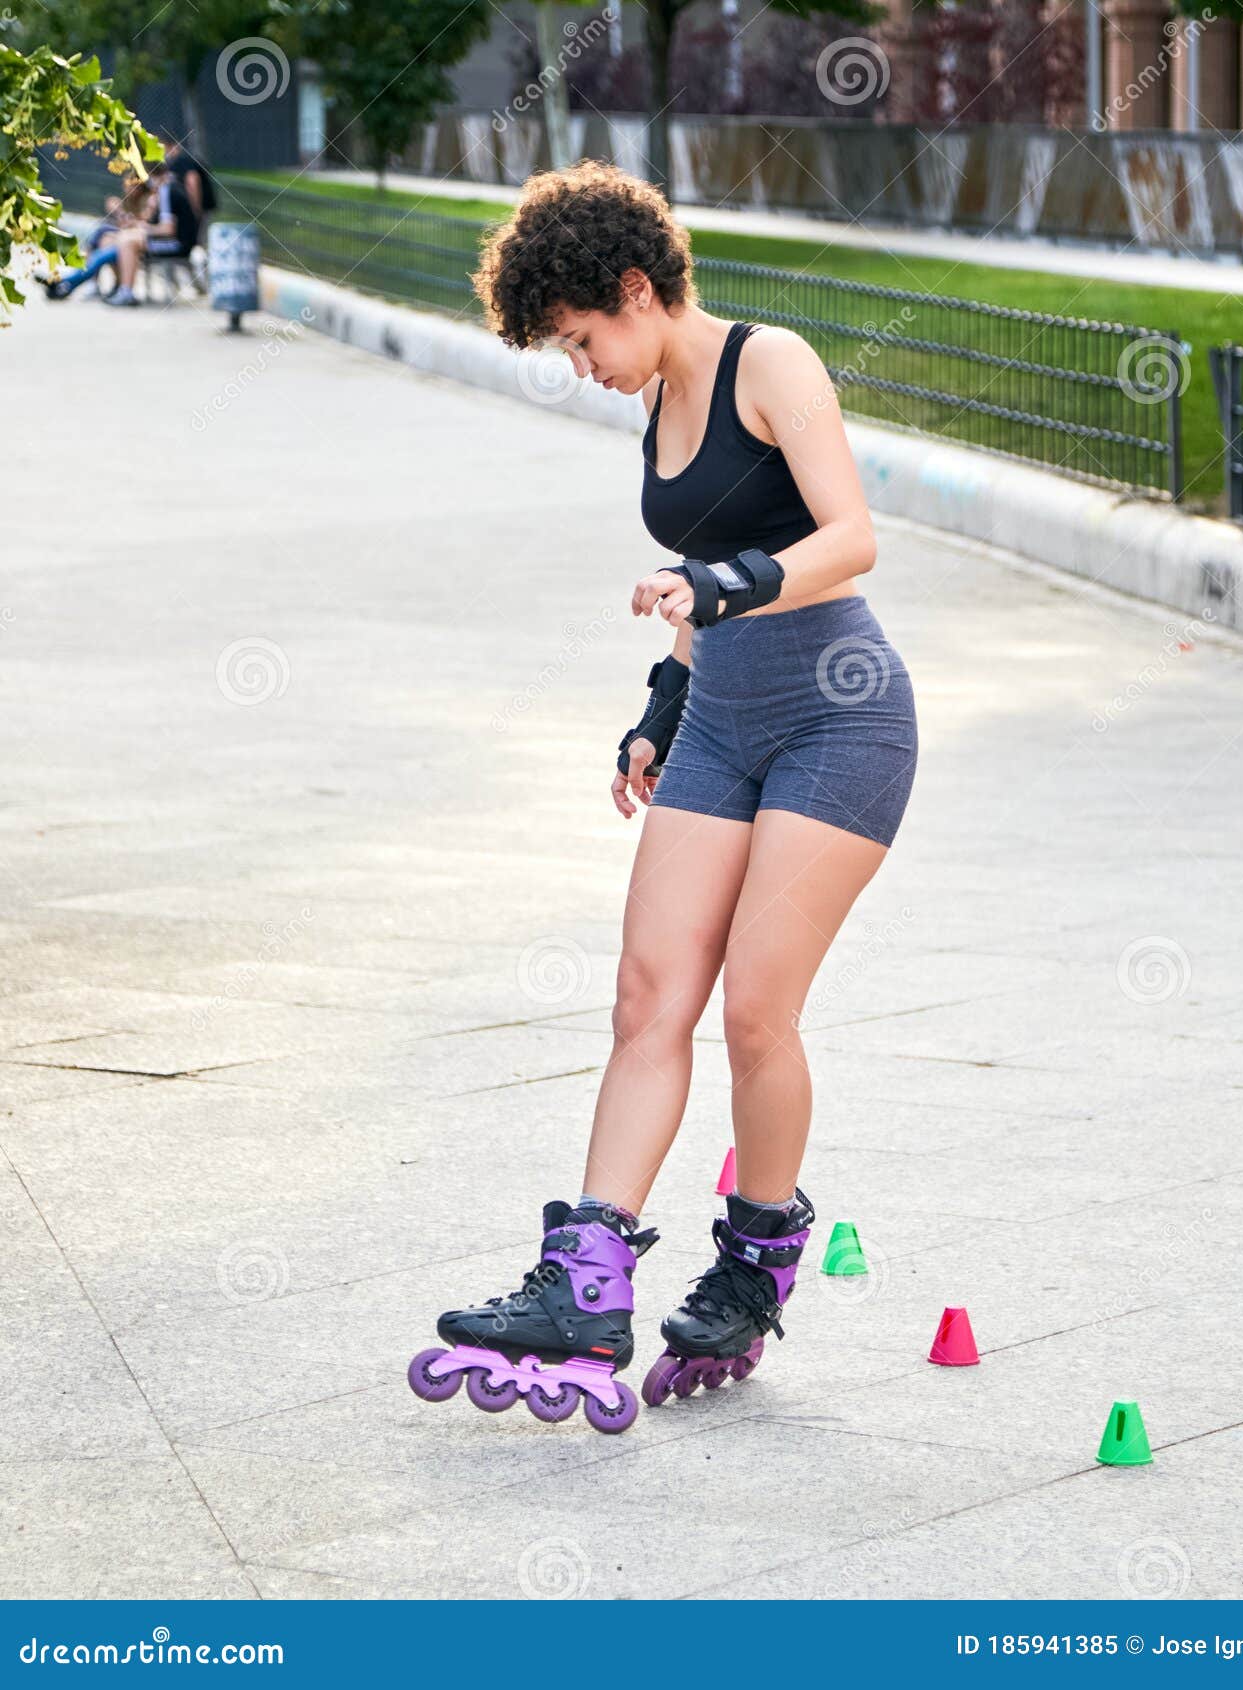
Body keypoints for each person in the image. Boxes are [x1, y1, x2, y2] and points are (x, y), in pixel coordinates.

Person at [407, 161, 919, 1434]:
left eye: (583, 340)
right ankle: (587, 1278)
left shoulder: (769, 363)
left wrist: (728, 585)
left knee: (754, 1009)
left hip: (839, 716)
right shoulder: (657, 407)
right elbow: (697, 588)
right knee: (647, 997)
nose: (582, 366)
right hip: (725, 720)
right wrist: (662, 709)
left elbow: (850, 536)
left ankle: (755, 1258)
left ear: (634, 290)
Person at [45, 160, 198, 306]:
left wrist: (142, 227)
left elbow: (168, 229)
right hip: (162, 240)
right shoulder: (165, 189)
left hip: (178, 245)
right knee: (107, 239)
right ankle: (71, 283)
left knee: (126, 240)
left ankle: (125, 293)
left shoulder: (167, 190)